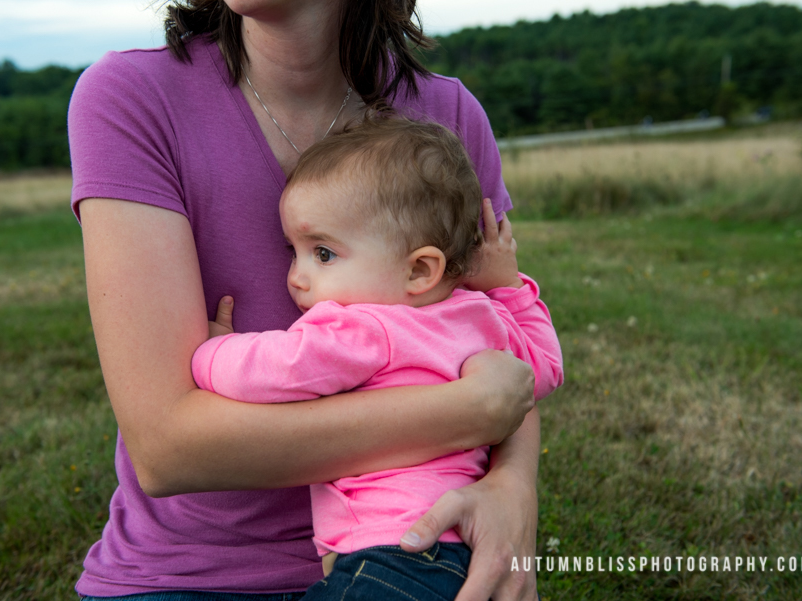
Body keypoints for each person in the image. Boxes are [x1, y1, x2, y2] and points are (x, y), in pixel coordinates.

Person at [69, 1, 545, 599]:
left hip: (417, 545)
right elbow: (168, 450)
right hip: (191, 575)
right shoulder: (134, 98)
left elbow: (496, 339)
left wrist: (514, 488)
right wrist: (469, 411)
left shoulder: (445, 118)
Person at [191, 115, 563, 601]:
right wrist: (509, 289)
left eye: (322, 253)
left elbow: (272, 369)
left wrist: (210, 350)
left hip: (390, 553)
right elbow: (542, 369)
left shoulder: (361, 328)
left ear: (419, 269)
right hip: (463, 543)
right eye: (294, 250)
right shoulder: (480, 315)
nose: (296, 277)